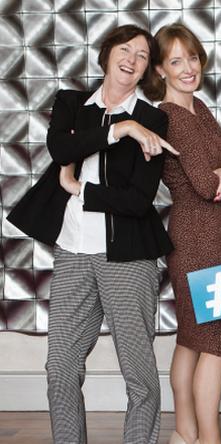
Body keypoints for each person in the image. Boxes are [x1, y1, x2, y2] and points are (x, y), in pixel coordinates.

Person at [7, 25, 178, 444]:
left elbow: (138, 200)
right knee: (61, 365)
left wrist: (80, 188)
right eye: (125, 49)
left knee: (138, 373)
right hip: (73, 253)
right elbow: (61, 151)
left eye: (142, 55)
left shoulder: (154, 118)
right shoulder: (71, 104)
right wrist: (121, 130)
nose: (132, 59)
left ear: (146, 71)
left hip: (128, 259)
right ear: (106, 54)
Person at [142, 23, 221, 444]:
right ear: (161, 70)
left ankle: (185, 433)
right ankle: (210, 439)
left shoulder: (197, 107)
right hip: (199, 232)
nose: (188, 68)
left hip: (202, 231)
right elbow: (205, 185)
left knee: (191, 338)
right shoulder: (173, 117)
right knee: (216, 343)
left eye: (193, 58)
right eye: (176, 61)